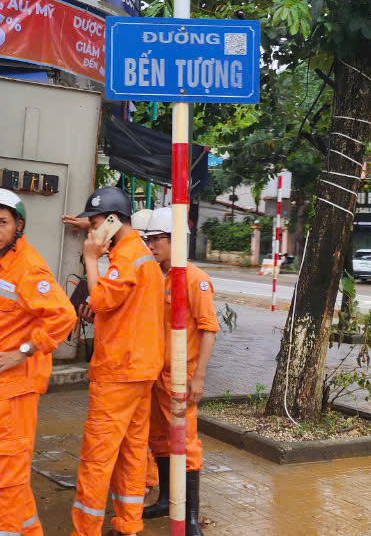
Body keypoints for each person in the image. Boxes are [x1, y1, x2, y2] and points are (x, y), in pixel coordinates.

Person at [0, 188, 77, 536]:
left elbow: (64, 317)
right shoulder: (1, 264)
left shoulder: (27, 268)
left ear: (19, 226)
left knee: (2, 479)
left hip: (12, 390)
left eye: (2, 222)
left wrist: (25, 351)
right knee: (8, 473)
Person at [69, 186, 165, 536]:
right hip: (140, 370)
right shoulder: (142, 257)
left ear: (112, 221)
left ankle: (86, 530)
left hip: (118, 372)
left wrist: (92, 259)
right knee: (132, 452)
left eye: (94, 223)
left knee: (97, 457)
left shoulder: (124, 257)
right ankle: (128, 525)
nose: (91, 231)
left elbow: (103, 300)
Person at [137, 208, 219, 536]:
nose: (151, 245)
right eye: (149, 239)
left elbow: (209, 328)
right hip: (155, 374)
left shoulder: (195, 279)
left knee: (185, 445)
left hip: (180, 377)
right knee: (158, 439)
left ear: (175, 241)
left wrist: (199, 377)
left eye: (157, 239)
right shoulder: (156, 276)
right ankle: (165, 500)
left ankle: (191, 518)